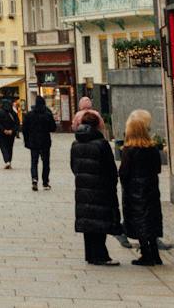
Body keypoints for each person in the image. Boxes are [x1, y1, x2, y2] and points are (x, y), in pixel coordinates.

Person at [71, 109, 121, 265]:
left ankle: (90, 254)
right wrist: (112, 182)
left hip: (83, 187)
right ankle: (100, 255)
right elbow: (110, 168)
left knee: (87, 220)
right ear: (98, 125)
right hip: (101, 187)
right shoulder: (101, 144)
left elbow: (73, 166)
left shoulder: (76, 143)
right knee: (100, 220)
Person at [118, 109, 163, 266]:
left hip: (134, 191)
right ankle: (155, 253)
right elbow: (158, 169)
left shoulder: (129, 150)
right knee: (150, 220)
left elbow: (123, 172)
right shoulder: (152, 149)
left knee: (139, 221)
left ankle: (146, 254)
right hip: (151, 189)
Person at [23, 95, 57, 192]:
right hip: (45, 142)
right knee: (46, 162)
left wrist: (26, 141)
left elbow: (25, 129)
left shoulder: (29, 115)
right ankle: (45, 182)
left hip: (33, 142)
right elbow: (53, 128)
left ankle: (34, 179)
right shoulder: (47, 115)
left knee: (34, 162)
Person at [0, 98, 20, 169]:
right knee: (10, 147)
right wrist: (12, 130)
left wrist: (3, 130)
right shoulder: (13, 113)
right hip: (11, 134)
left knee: (3, 147)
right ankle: (9, 161)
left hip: (2, 134)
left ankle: (7, 161)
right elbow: (17, 123)